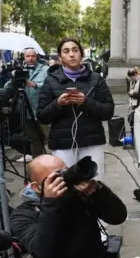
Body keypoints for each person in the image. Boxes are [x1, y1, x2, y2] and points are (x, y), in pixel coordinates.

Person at [10, 155, 127, 258]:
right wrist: (51, 203)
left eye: (65, 171)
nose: (64, 178)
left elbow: (118, 217)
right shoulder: (22, 215)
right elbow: (44, 253)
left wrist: (98, 191)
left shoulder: (79, 195)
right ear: (37, 187)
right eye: (56, 176)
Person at [36, 37, 114, 182]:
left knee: (94, 185)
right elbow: (41, 116)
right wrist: (58, 104)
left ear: (81, 54)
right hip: (63, 145)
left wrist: (86, 102)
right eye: (66, 51)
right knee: (66, 188)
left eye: (75, 50)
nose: (71, 54)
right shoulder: (51, 80)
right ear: (60, 57)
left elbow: (108, 112)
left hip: (92, 142)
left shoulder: (96, 79)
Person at [4, 48, 49, 162]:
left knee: (50, 138)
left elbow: (49, 85)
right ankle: (38, 165)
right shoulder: (21, 70)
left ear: (37, 57)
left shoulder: (45, 69)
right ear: (24, 57)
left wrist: (34, 84)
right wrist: (14, 77)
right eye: (27, 56)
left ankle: (54, 163)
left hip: (42, 110)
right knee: (33, 140)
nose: (30, 58)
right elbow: (7, 88)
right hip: (26, 111)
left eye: (33, 56)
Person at [126, 67, 140, 132]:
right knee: (130, 122)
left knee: (132, 124)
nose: (131, 79)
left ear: (135, 74)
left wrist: (133, 94)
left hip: (136, 106)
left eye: (131, 77)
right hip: (133, 105)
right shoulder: (135, 81)